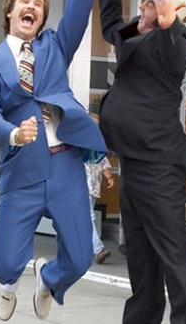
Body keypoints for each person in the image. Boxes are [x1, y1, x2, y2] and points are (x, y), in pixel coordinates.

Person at [0, 0, 104, 321]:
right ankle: (10, 284)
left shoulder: (55, 47)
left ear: (42, 18)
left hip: (65, 165)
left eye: (38, 5)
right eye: (24, 1)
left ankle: (48, 279)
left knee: (80, 257)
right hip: (22, 167)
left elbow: (79, 7)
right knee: (6, 262)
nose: (31, 6)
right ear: (10, 12)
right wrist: (12, 133)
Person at [98, 0, 186, 324]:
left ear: (168, 11)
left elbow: (176, 60)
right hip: (132, 160)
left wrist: (167, 18)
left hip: (159, 165)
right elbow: (110, 28)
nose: (143, 6)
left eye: (151, 2)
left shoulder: (179, 39)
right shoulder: (136, 33)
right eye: (145, 1)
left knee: (173, 252)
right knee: (140, 252)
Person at [85, 113, 115, 265]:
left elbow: (104, 163)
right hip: (81, 186)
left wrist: (109, 177)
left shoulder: (97, 145)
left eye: (97, 126)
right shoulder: (79, 141)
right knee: (89, 216)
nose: (95, 128)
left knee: (83, 218)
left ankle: (74, 248)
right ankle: (98, 249)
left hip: (94, 188)